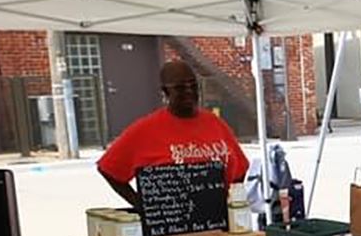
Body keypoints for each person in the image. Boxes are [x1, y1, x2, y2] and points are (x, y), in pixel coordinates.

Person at [97, 60, 250, 207]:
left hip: (217, 222)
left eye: (193, 86)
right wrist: (142, 205)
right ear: (165, 92)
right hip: (169, 225)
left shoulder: (215, 124)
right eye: (180, 88)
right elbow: (108, 169)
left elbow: (240, 168)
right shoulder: (146, 129)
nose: (189, 92)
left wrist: (231, 202)